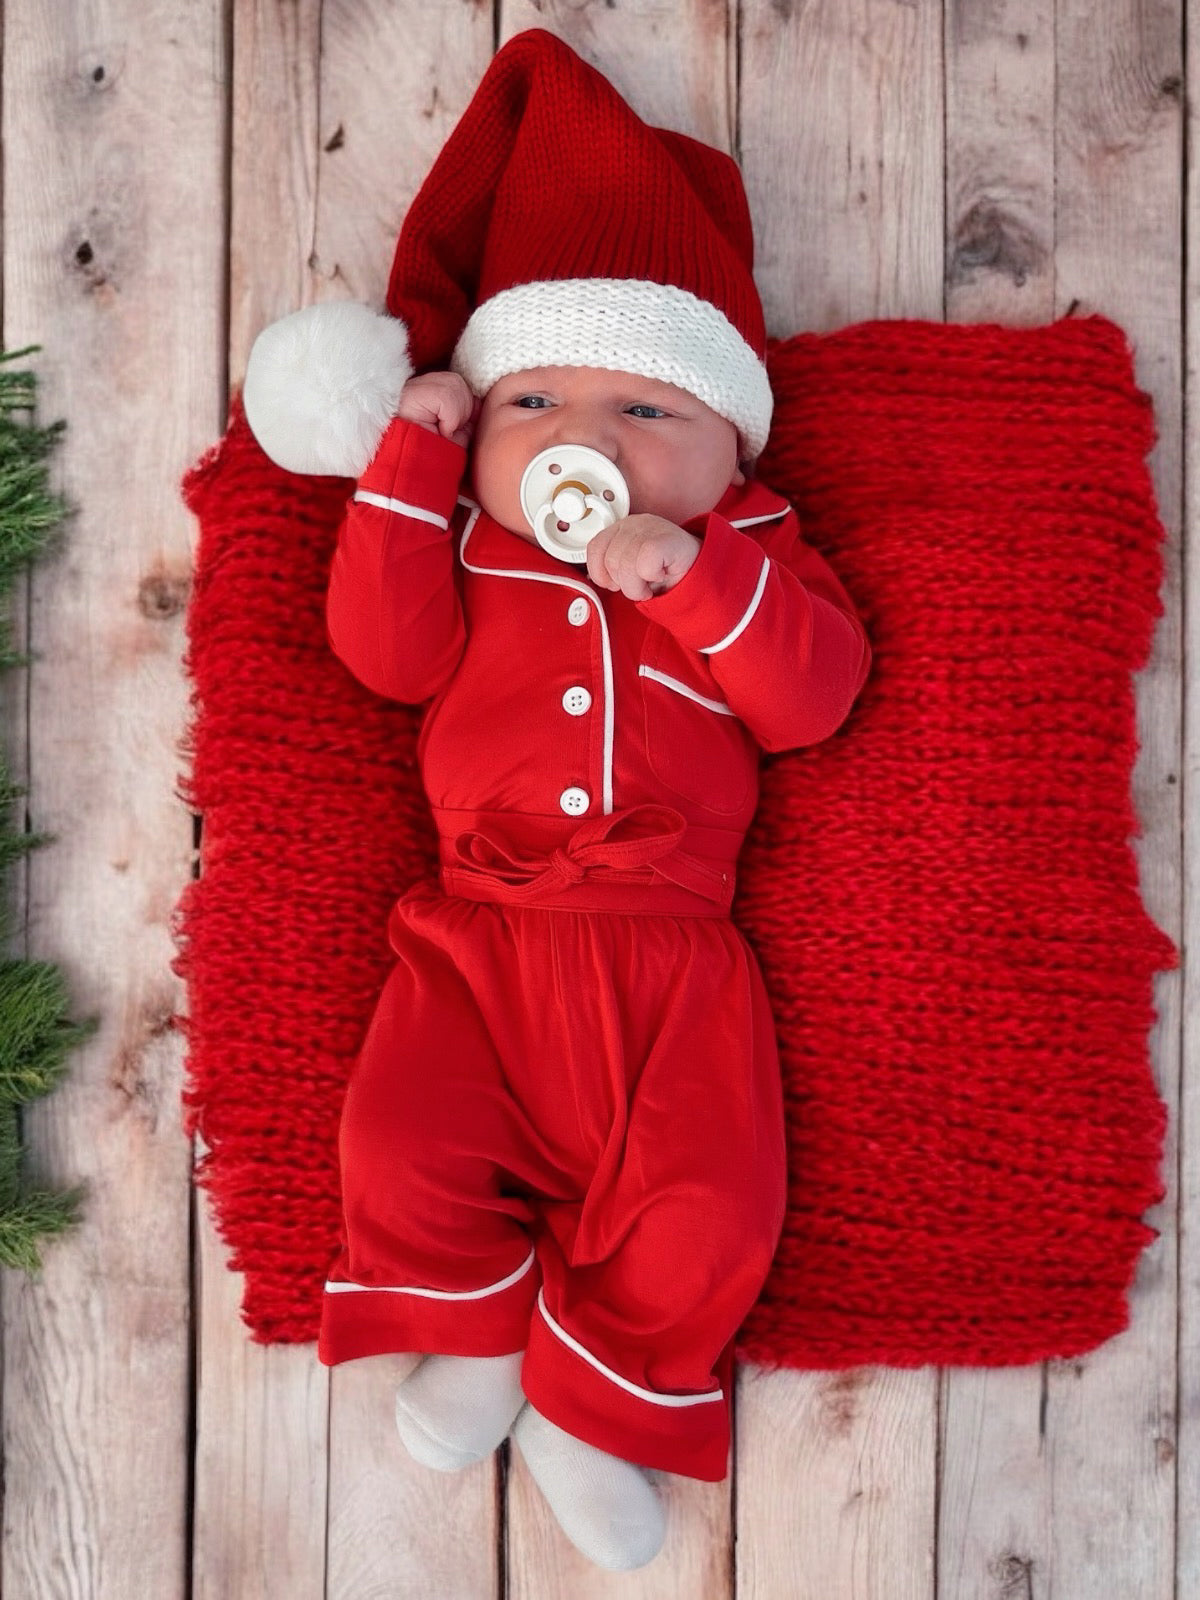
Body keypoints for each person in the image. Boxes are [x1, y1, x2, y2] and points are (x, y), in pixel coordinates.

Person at [244, 29, 871, 1573]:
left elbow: (817, 699)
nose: (585, 442)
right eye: (533, 406)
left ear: (735, 453)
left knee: (715, 1205)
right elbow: (383, 663)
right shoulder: (466, 544)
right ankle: (470, 1329)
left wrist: (705, 587)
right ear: (479, 442)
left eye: (650, 415)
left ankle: (603, 1395)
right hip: (478, 936)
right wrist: (413, 464)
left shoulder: (751, 547)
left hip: (676, 956)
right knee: (397, 1146)